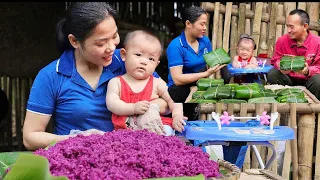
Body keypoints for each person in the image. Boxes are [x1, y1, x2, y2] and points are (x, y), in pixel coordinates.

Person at [22, 2, 169, 151]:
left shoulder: (129, 61)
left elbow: (166, 99)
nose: (112, 47)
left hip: (131, 154)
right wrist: (77, 139)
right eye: (101, 43)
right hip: (79, 160)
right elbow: (30, 137)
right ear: (74, 41)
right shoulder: (52, 76)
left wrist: (149, 108)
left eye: (114, 36)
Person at [106, 30, 187, 135]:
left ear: (156, 64)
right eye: (138, 54)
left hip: (154, 127)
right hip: (126, 130)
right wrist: (133, 108)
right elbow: (112, 104)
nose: (144, 62)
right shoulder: (116, 82)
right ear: (124, 55)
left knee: (166, 131)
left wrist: (177, 115)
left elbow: (173, 99)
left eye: (151, 59)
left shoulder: (157, 83)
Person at [166, 6, 225, 120]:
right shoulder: (175, 46)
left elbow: (211, 62)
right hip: (178, 90)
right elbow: (177, 79)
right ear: (188, 24)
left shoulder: (205, 41)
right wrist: (205, 74)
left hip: (198, 85)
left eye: (206, 24)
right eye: (202, 24)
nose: (205, 28)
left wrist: (223, 62)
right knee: (191, 91)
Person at [267, 9, 320, 99]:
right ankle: (281, 103)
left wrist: (308, 71)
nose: (288, 30)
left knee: (318, 80)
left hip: (309, 81)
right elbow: (275, 60)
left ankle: (316, 109)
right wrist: (280, 65)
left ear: (305, 26)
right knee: (273, 73)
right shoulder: (282, 41)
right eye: (287, 26)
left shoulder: (318, 42)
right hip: (288, 79)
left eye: (292, 27)